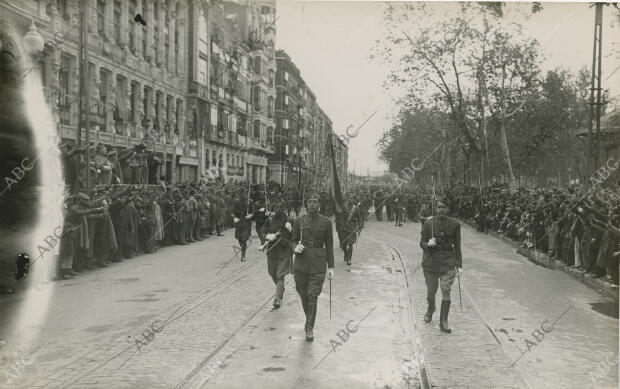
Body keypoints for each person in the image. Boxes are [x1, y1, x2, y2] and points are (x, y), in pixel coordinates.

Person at [291, 192, 334, 341]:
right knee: (303, 295)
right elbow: (293, 240)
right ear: (306, 204)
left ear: (320, 205)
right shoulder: (299, 221)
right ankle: (308, 320)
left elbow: (329, 246)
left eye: (316, 202)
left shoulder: (326, 223)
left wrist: (331, 268)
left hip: (318, 264)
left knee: (312, 296)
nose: (313, 205)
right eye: (310, 202)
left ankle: (309, 327)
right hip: (301, 264)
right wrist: (295, 248)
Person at [420, 197, 462, 334]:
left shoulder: (455, 224)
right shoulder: (428, 224)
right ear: (435, 208)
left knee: (446, 289)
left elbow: (457, 246)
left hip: (447, 262)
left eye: (444, 207)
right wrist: (428, 244)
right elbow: (422, 243)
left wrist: (459, 265)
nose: (441, 210)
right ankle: (430, 309)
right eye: (439, 207)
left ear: (448, 209)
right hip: (430, 263)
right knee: (431, 292)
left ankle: (443, 321)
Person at [261, 198, 294, 308]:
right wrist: (267, 236)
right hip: (272, 251)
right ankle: (281, 288)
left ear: (285, 208)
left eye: (281, 207)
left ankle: (277, 298)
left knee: (280, 275)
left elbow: (296, 236)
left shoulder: (289, 220)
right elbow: (263, 231)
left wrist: (290, 230)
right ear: (274, 208)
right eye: (277, 207)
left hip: (284, 250)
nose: (279, 209)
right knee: (272, 273)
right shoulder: (270, 220)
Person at [232, 191, 253, 262]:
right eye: (242, 194)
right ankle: (242, 248)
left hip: (247, 223)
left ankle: (243, 255)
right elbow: (232, 211)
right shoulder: (237, 202)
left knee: (244, 239)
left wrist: (250, 215)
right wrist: (234, 217)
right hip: (239, 223)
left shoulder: (250, 202)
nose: (244, 195)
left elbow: (252, 212)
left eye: (245, 194)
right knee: (239, 238)